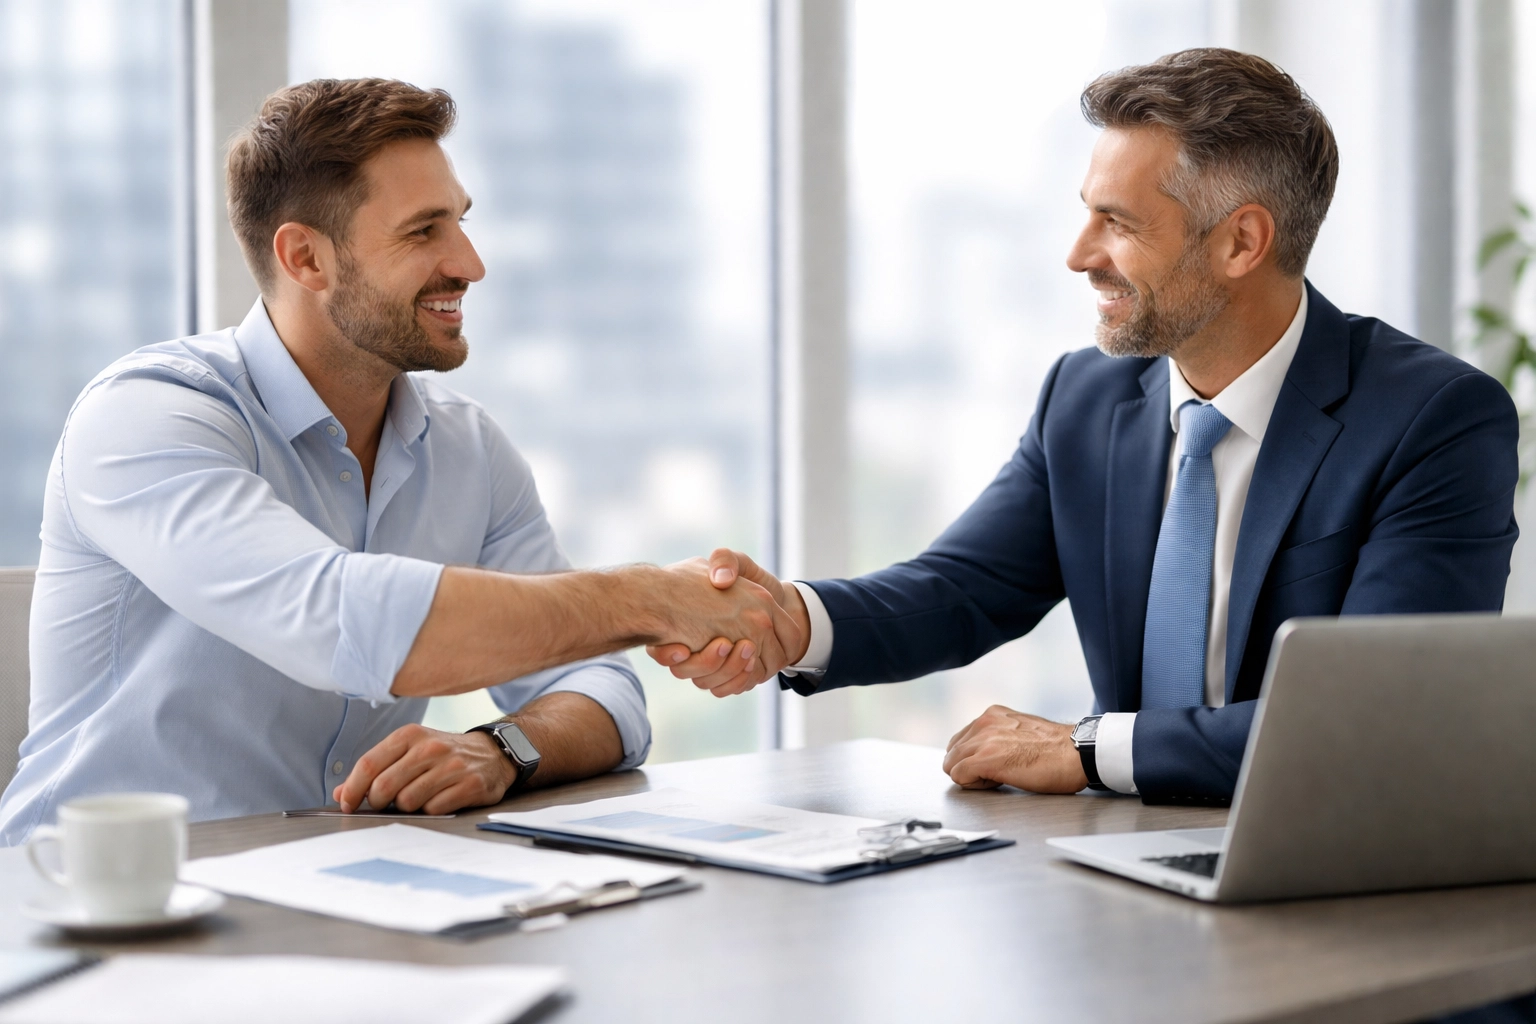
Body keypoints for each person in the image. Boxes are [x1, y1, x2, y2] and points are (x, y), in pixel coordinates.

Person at [652, 48, 1519, 806]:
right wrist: (787, 623)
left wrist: (1087, 747)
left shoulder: (1433, 420)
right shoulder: (1086, 397)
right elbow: (963, 588)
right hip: (1129, 865)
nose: (1078, 252)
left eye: (1119, 222)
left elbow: (1371, 723)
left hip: (1336, 871)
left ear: (1241, 243)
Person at [0, 78, 801, 843]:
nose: (470, 263)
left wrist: (501, 750)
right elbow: (343, 619)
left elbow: (601, 691)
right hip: (86, 917)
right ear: (306, 259)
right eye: (425, 231)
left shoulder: (468, 448)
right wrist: (650, 597)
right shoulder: (149, 416)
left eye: (460, 220)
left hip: (326, 896)